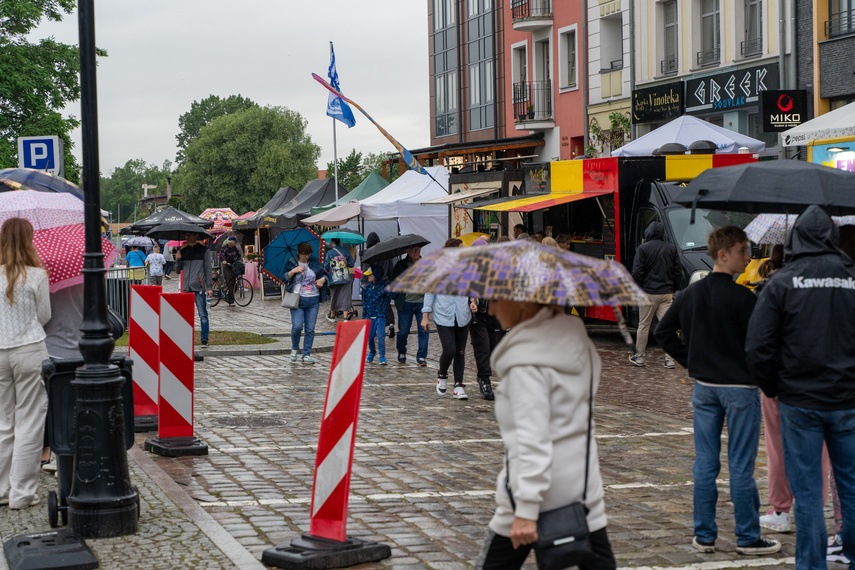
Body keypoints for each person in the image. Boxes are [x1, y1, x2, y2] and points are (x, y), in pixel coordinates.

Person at [654, 226, 780, 556]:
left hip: (705, 387)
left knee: (706, 464)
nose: (748, 256)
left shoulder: (690, 295)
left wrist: (690, 360)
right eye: (742, 250)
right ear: (723, 254)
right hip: (739, 388)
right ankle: (748, 536)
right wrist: (767, 381)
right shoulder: (743, 298)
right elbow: (759, 346)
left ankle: (705, 534)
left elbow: (663, 333)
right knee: (740, 465)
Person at [746, 206, 855, 568]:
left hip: (800, 400)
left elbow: (758, 347)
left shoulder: (782, 281)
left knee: (808, 495)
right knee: (851, 489)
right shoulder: (851, 276)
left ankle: (811, 564)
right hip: (845, 400)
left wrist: (773, 386)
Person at [474, 299, 616, 569]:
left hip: (533, 497)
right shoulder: (578, 341)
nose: (490, 309)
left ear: (522, 301)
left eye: (494, 299)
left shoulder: (526, 362)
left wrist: (526, 509)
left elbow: (532, 441)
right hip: (582, 492)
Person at [0, 218, 51, 509]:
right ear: (28, 240)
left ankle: (1, 489)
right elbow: (44, 315)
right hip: (30, 349)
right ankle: (22, 493)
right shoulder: (36, 276)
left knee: (2, 422)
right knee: (30, 421)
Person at [422, 238, 471, 399]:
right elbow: (429, 292)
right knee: (449, 350)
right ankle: (442, 375)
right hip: (444, 315)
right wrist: (425, 316)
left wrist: (473, 301)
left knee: (460, 352)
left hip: (463, 315)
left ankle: (458, 386)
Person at [630, 221, 682, 369]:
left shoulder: (643, 248)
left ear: (648, 232)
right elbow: (678, 272)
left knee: (644, 326)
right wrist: (674, 288)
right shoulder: (671, 248)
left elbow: (637, 272)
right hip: (666, 293)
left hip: (648, 293)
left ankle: (639, 358)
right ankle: (670, 359)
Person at [282, 242, 328, 364]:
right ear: (298, 252)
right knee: (297, 326)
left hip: (313, 299)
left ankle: (306, 354)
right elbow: (283, 277)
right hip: (297, 299)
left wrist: (323, 280)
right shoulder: (292, 262)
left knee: (310, 329)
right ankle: (294, 348)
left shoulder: (314, 262)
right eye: (303, 254)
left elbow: (326, 274)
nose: (305, 257)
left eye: (307, 254)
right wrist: (293, 271)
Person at [468, 239, 500, 400]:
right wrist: (472, 301)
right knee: (483, 348)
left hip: (493, 315)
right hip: (477, 315)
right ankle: (485, 380)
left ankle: (483, 375)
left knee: (493, 348)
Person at [391, 244, 429, 366]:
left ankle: (422, 356)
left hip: (422, 302)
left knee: (424, 330)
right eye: (414, 250)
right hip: (405, 302)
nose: (417, 252)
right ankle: (401, 351)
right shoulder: (400, 265)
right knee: (403, 331)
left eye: (418, 249)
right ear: (407, 251)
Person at [175, 232, 213, 347]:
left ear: (196, 236)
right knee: (185, 315)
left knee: (202, 314)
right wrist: (177, 260)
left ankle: (204, 339)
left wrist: (209, 287)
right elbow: (177, 270)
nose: (187, 237)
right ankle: (185, 338)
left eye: (190, 235)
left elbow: (207, 269)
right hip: (186, 288)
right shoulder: (183, 251)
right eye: (186, 235)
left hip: (199, 287)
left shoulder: (203, 250)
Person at [363, 232, 395, 339]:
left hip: (374, 284)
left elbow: (366, 269)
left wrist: (364, 282)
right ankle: (390, 324)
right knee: (386, 305)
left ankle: (375, 330)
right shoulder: (385, 252)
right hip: (386, 282)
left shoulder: (369, 253)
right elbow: (391, 268)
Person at [362, 267, 391, 365]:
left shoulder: (384, 286)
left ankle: (382, 356)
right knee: (369, 337)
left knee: (381, 336)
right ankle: (372, 351)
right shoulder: (367, 287)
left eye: (370, 275)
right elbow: (365, 302)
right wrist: (364, 315)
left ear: (376, 275)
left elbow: (393, 296)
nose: (368, 277)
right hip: (369, 315)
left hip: (380, 315)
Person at [324, 238, 355, 322]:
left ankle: (332, 316)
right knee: (345, 297)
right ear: (339, 242)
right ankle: (345, 317)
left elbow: (326, 266)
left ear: (332, 242)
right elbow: (351, 264)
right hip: (345, 277)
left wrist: (328, 273)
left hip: (334, 277)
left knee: (334, 296)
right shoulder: (345, 251)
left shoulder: (329, 252)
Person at [218, 237, 242, 306]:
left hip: (234, 266)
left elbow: (238, 255)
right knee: (230, 283)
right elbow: (222, 255)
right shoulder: (225, 247)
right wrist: (224, 261)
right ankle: (231, 301)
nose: (235, 244)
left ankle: (228, 296)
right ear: (231, 242)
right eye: (235, 242)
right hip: (227, 267)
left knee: (235, 285)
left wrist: (239, 261)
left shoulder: (235, 248)